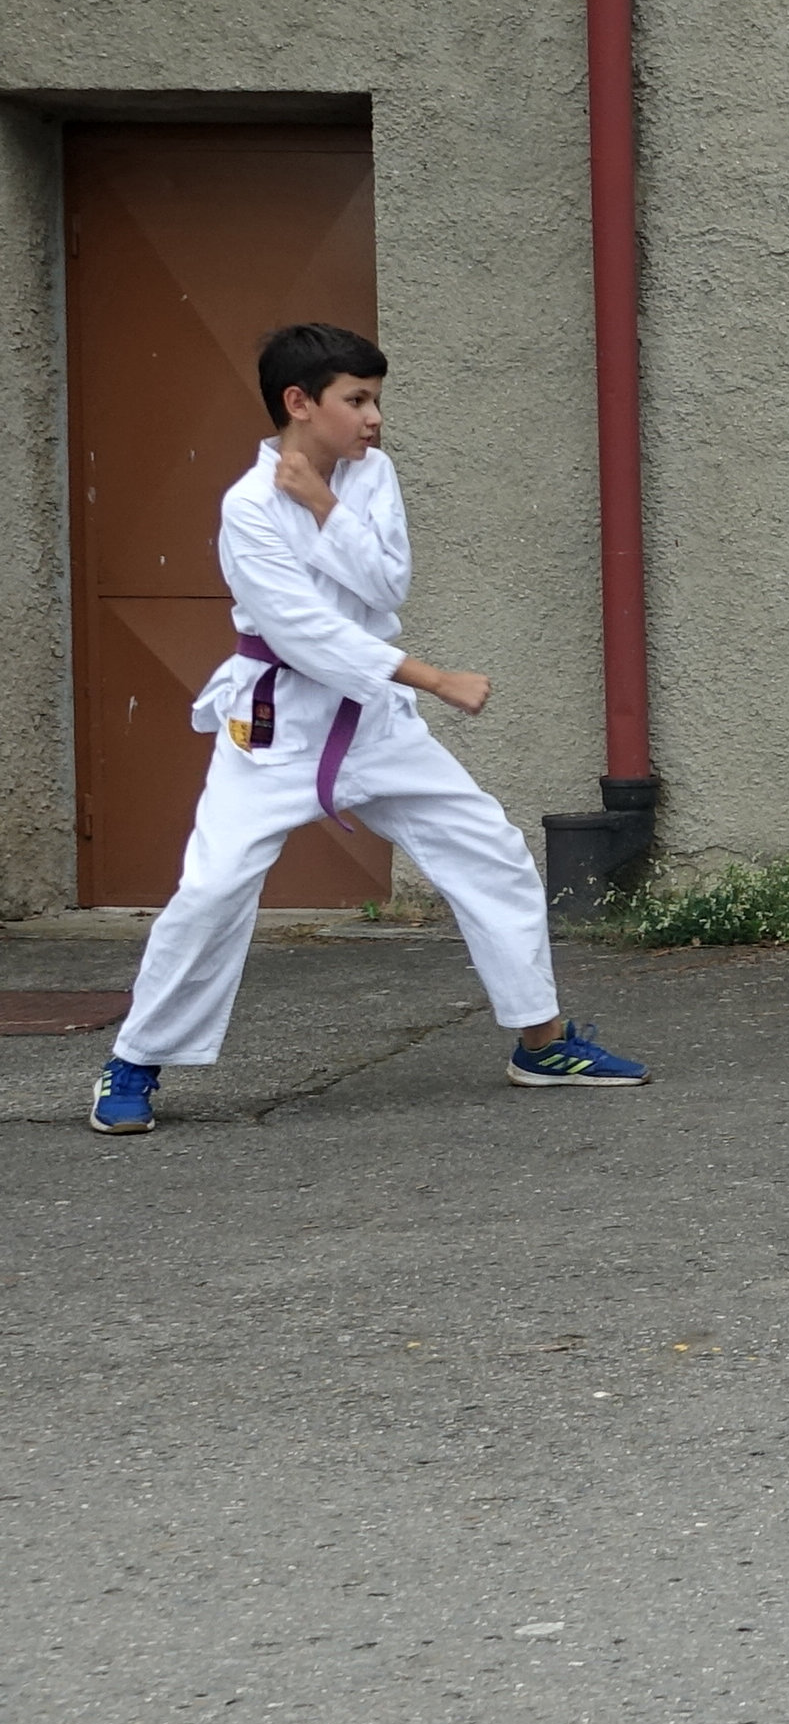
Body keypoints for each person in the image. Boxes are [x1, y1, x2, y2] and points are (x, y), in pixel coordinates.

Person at [88, 324, 645, 1134]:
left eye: (376, 399)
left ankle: (543, 1043)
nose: (374, 418)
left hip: (375, 725)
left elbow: (387, 585)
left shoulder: (369, 474)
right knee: (212, 890)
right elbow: (302, 632)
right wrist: (434, 678)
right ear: (299, 402)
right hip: (274, 730)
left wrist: (324, 505)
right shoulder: (247, 506)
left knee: (489, 848)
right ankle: (134, 1061)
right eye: (356, 400)